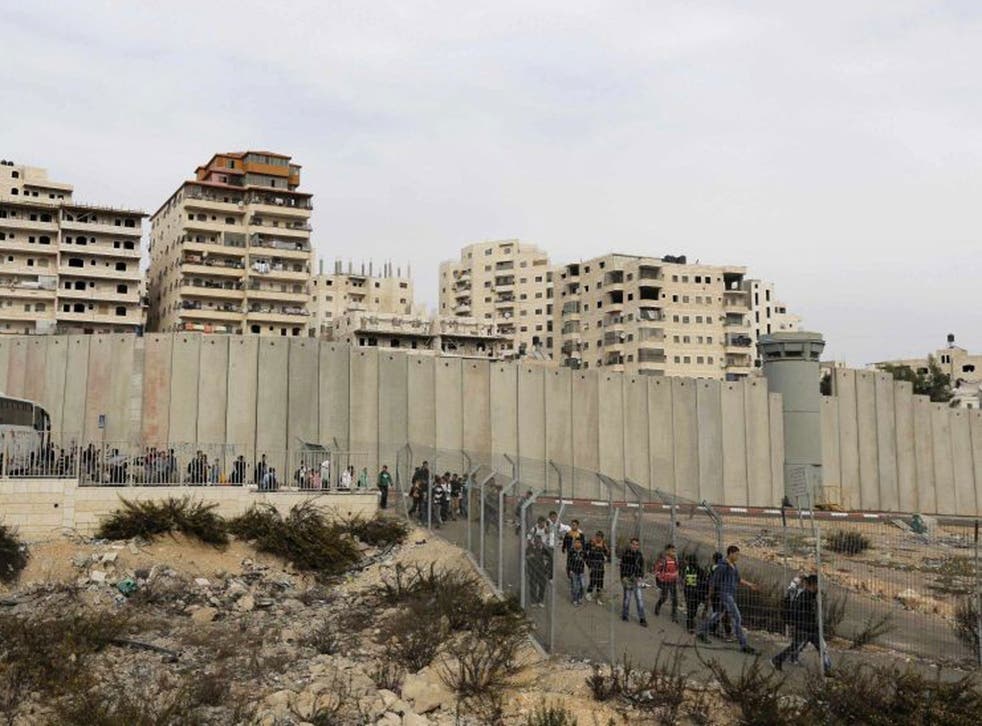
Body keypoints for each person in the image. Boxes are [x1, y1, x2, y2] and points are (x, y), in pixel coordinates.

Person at [697, 545, 759, 654]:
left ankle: (702, 632)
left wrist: (750, 585)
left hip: (729, 594)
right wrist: (709, 596)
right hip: (725, 595)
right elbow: (713, 582)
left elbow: (738, 579)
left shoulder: (733, 566)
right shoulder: (722, 566)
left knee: (717, 615)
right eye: (736, 554)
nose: (737, 556)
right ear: (730, 553)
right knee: (737, 618)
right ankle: (743, 644)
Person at [771, 575, 832, 675]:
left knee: (822, 648)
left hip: (812, 629)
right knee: (795, 647)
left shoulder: (812, 596)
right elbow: (798, 613)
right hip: (804, 628)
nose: (818, 587)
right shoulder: (804, 597)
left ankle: (827, 669)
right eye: (817, 585)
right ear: (812, 585)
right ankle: (777, 660)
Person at [620, 538, 647, 627]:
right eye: (633, 544)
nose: (634, 546)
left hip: (636, 579)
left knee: (639, 599)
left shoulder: (639, 555)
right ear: (630, 544)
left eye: (636, 544)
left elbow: (642, 568)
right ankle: (625, 614)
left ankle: (642, 618)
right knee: (627, 598)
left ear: (638, 546)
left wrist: (640, 577)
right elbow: (622, 566)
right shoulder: (626, 554)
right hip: (627, 578)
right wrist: (623, 577)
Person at [708, 551, 733, 639]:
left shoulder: (712, 568)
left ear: (714, 559)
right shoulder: (726, 568)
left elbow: (711, 581)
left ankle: (713, 629)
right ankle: (727, 633)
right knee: (724, 613)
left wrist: (710, 594)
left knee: (717, 611)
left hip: (716, 593)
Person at [654, 543, 680, 622]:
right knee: (664, 597)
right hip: (665, 582)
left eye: (674, 551)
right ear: (667, 551)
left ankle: (674, 615)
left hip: (672, 581)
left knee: (675, 599)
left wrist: (676, 575)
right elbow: (657, 570)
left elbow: (676, 569)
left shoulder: (675, 560)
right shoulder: (663, 560)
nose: (674, 552)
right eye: (672, 551)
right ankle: (658, 606)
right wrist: (660, 578)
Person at [682, 553, 707, 633]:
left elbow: (690, 582)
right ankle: (692, 623)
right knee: (694, 609)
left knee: (690, 609)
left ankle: (690, 626)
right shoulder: (701, 570)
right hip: (699, 593)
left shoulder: (689, 569)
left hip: (691, 592)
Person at [584, 531, 610, 603]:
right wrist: (589, 564)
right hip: (593, 565)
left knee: (600, 582)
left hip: (601, 566)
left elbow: (607, 554)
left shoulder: (604, 545)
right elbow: (585, 551)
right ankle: (589, 593)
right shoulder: (591, 543)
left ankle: (599, 597)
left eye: (600, 537)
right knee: (593, 580)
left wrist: (606, 556)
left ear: (602, 538)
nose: (598, 538)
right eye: (597, 536)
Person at [526, 539, 549, 608]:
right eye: (537, 542)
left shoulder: (543, 550)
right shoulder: (529, 549)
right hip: (533, 570)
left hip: (542, 571)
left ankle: (540, 600)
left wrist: (547, 570)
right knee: (533, 585)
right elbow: (527, 558)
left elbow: (549, 558)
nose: (538, 544)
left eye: (539, 543)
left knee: (542, 586)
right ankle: (533, 600)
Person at [566, 537, 587, 607]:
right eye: (576, 542)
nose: (577, 544)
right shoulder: (571, 552)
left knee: (582, 585)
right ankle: (575, 599)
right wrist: (569, 571)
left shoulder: (583, 552)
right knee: (575, 586)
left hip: (581, 572)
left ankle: (580, 597)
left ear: (581, 544)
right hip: (573, 571)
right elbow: (568, 562)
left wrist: (590, 567)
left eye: (579, 543)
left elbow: (587, 560)